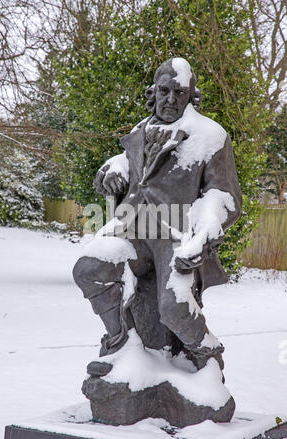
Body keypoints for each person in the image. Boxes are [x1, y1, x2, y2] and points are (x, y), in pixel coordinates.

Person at [73, 58, 242, 377]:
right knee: (89, 269)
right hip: (133, 229)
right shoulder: (142, 130)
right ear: (154, 91)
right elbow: (127, 164)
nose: (171, 99)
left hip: (176, 236)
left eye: (180, 92)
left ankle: (206, 351)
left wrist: (205, 233)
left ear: (192, 95)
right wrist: (112, 172)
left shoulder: (210, 136)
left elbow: (224, 197)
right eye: (164, 90)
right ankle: (121, 343)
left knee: (173, 307)